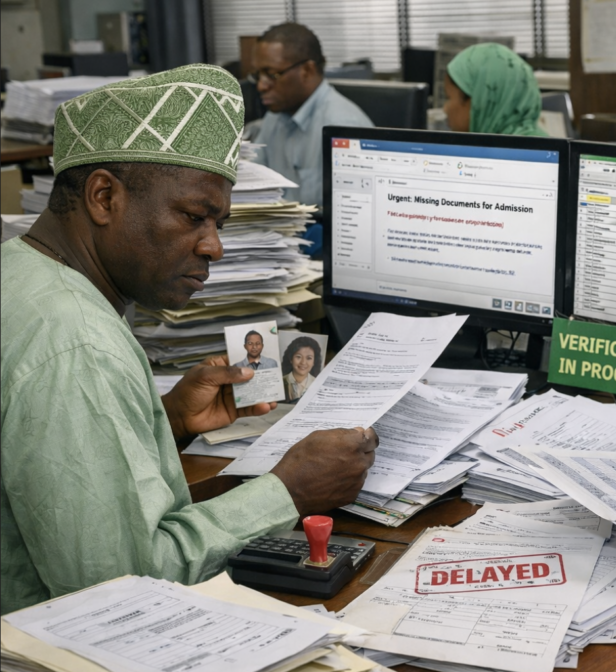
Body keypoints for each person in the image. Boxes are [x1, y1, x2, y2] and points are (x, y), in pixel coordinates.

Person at [0, 65, 377, 616]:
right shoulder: (79, 342)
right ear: (104, 197)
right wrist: (288, 491)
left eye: (218, 223)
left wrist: (167, 421)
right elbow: (119, 588)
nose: (214, 248)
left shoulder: (21, 271)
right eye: (195, 217)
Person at [251, 23, 373, 208]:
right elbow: (252, 181)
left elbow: (357, 215)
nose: (261, 86)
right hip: (277, 233)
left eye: (272, 74)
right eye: (258, 75)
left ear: (307, 71)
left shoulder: (344, 126)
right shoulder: (274, 117)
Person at [443, 43, 547, 136]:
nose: (445, 109)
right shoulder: (542, 147)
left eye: (448, 97)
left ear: (479, 102)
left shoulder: (504, 154)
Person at [282, 336, 322, 402]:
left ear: (314, 362)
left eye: (309, 358)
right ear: (291, 359)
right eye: (298, 357)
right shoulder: (279, 383)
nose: (303, 362)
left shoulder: (319, 385)